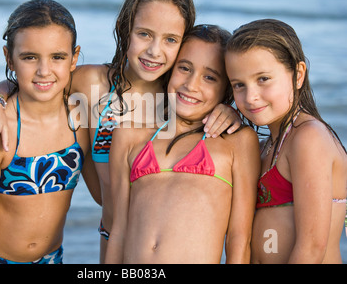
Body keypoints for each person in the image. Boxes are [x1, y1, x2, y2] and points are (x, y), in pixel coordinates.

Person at [0, 0, 241, 262]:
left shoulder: (184, 102)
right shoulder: (90, 85)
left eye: (170, 39)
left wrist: (229, 108)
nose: (154, 51)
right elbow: (40, 77)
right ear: (125, 29)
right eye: (144, 34)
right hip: (112, 237)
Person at [106, 25, 260, 263]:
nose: (191, 84)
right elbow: (118, 231)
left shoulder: (236, 141)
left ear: (226, 89)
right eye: (184, 68)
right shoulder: (128, 136)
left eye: (209, 77)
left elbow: (239, 239)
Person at [0, 0, 93, 264]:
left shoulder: (80, 121)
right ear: (9, 58)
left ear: (74, 58)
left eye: (57, 57)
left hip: (53, 259)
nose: (44, 71)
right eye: (29, 57)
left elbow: (103, 196)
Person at [225, 18, 347, 263]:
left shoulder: (308, 138)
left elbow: (312, 246)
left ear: (298, 74)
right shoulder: (264, 147)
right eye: (239, 85)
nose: (251, 97)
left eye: (263, 79)